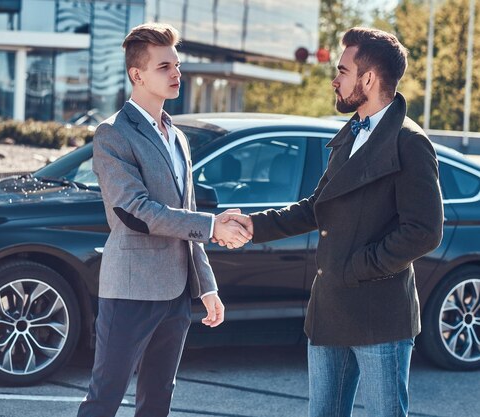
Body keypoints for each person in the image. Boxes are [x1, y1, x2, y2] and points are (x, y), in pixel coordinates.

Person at [218, 27, 444, 417]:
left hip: (380, 319)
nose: (335, 80)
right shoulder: (351, 133)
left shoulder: (410, 142)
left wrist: (356, 267)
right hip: (330, 312)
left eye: (342, 70)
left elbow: (424, 231)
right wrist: (256, 225)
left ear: (368, 79)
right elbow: (317, 206)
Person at [77, 22, 251, 417]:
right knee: (105, 396)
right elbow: (134, 210)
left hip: (175, 294)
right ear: (137, 75)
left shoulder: (178, 135)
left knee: (158, 399)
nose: (176, 74)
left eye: (177, 65)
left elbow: (184, 208)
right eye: (164, 66)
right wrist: (212, 226)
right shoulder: (113, 134)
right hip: (130, 291)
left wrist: (206, 286)